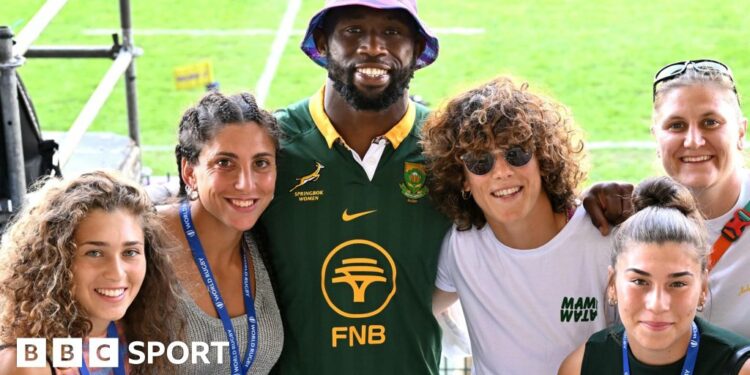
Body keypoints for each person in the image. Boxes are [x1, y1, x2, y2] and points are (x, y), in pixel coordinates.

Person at [258, 0, 451, 373]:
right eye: (353, 31)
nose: (373, 47)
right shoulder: (271, 146)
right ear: (323, 41)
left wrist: (594, 199)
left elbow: (522, 222)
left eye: (392, 32)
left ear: (416, 47)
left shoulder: (449, 146)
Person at [422, 77, 612, 374]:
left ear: (543, 158)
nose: (501, 172)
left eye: (516, 154)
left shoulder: (605, 236)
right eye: (480, 162)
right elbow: (412, 314)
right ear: (462, 179)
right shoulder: (460, 247)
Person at [584, 59, 750, 338]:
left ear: (740, 132)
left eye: (711, 122)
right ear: (655, 137)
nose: (694, 141)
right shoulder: (627, 216)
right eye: (676, 125)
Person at [560, 176, 750, 374]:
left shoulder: (741, 369)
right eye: (640, 281)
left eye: (677, 284)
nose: (657, 304)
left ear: (702, 288)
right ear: (613, 286)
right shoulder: (581, 366)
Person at [0, 170, 182, 374]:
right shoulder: (29, 364)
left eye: (130, 252)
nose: (117, 273)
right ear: (56, 262)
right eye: (95, 253)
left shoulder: (141, 331)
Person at [159, 91, 284, 374]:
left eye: (261, 163)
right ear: (189, 172)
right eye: (224, 163)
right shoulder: (143, 241)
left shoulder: (266, 244)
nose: (245, 183)